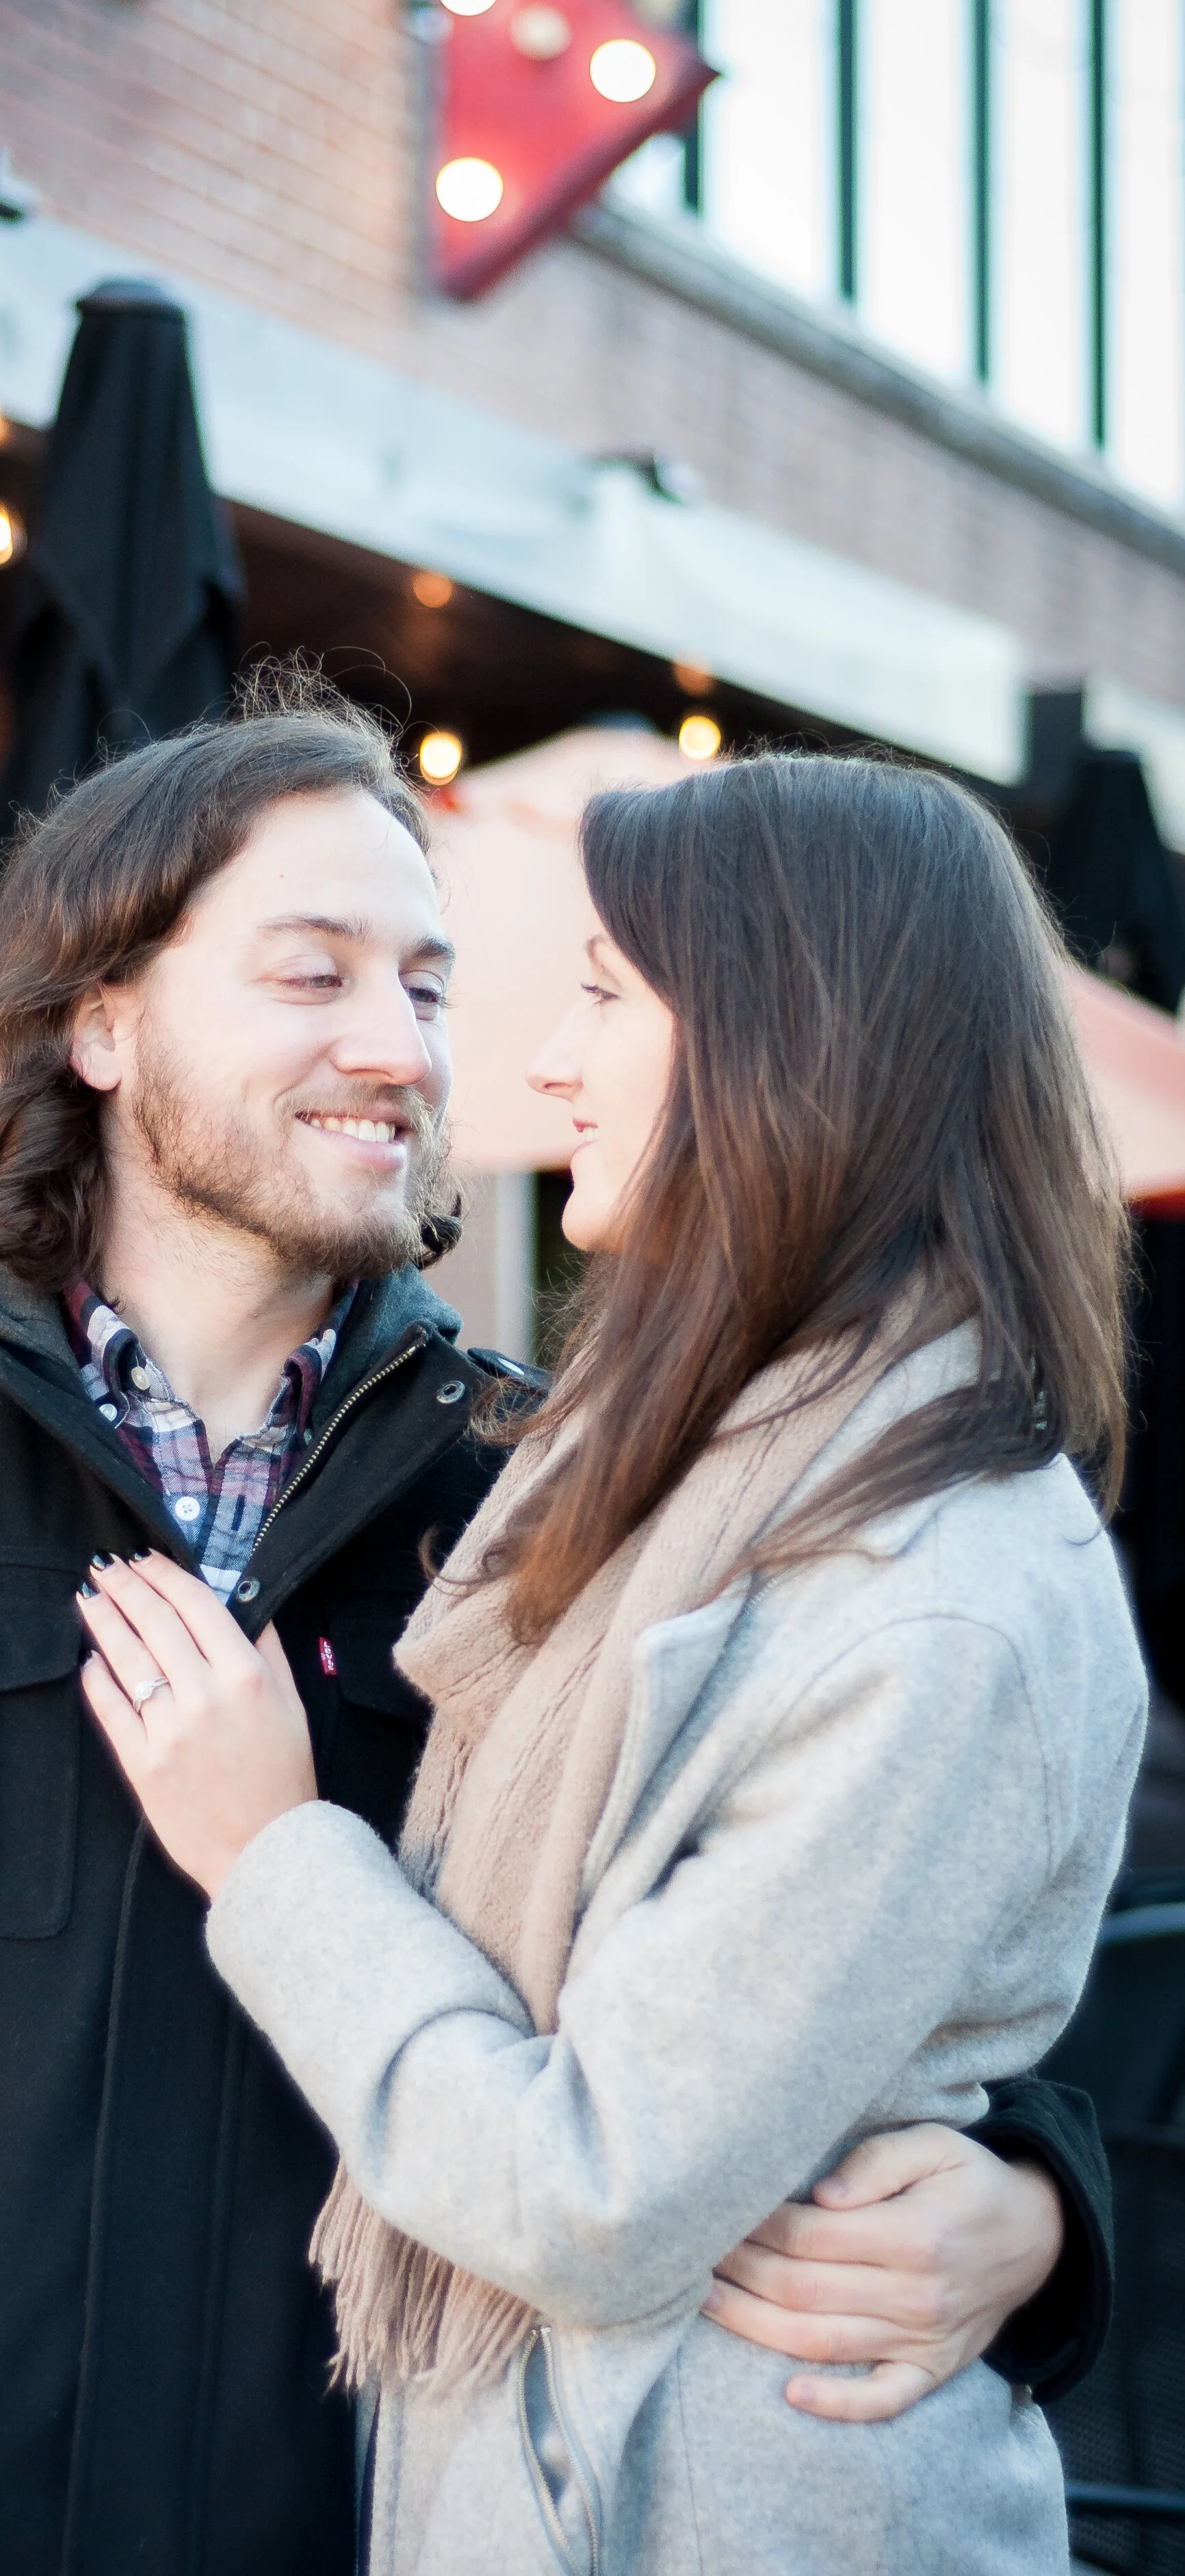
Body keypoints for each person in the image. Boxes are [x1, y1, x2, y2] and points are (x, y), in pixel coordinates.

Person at [0, 708, 1113, 2576]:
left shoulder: (557, 1495)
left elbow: (824, 1934)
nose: (397, 1045)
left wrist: (1035, 2199)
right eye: (312, 971)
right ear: (102, 1019)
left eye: (426, 985)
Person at [73, 750, 1145, 2574]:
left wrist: (267, 1850)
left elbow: (597, 2177)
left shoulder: (923, 1593)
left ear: (781, 1037)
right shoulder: (643, 1469)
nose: (528, 1065)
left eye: (595, 995)